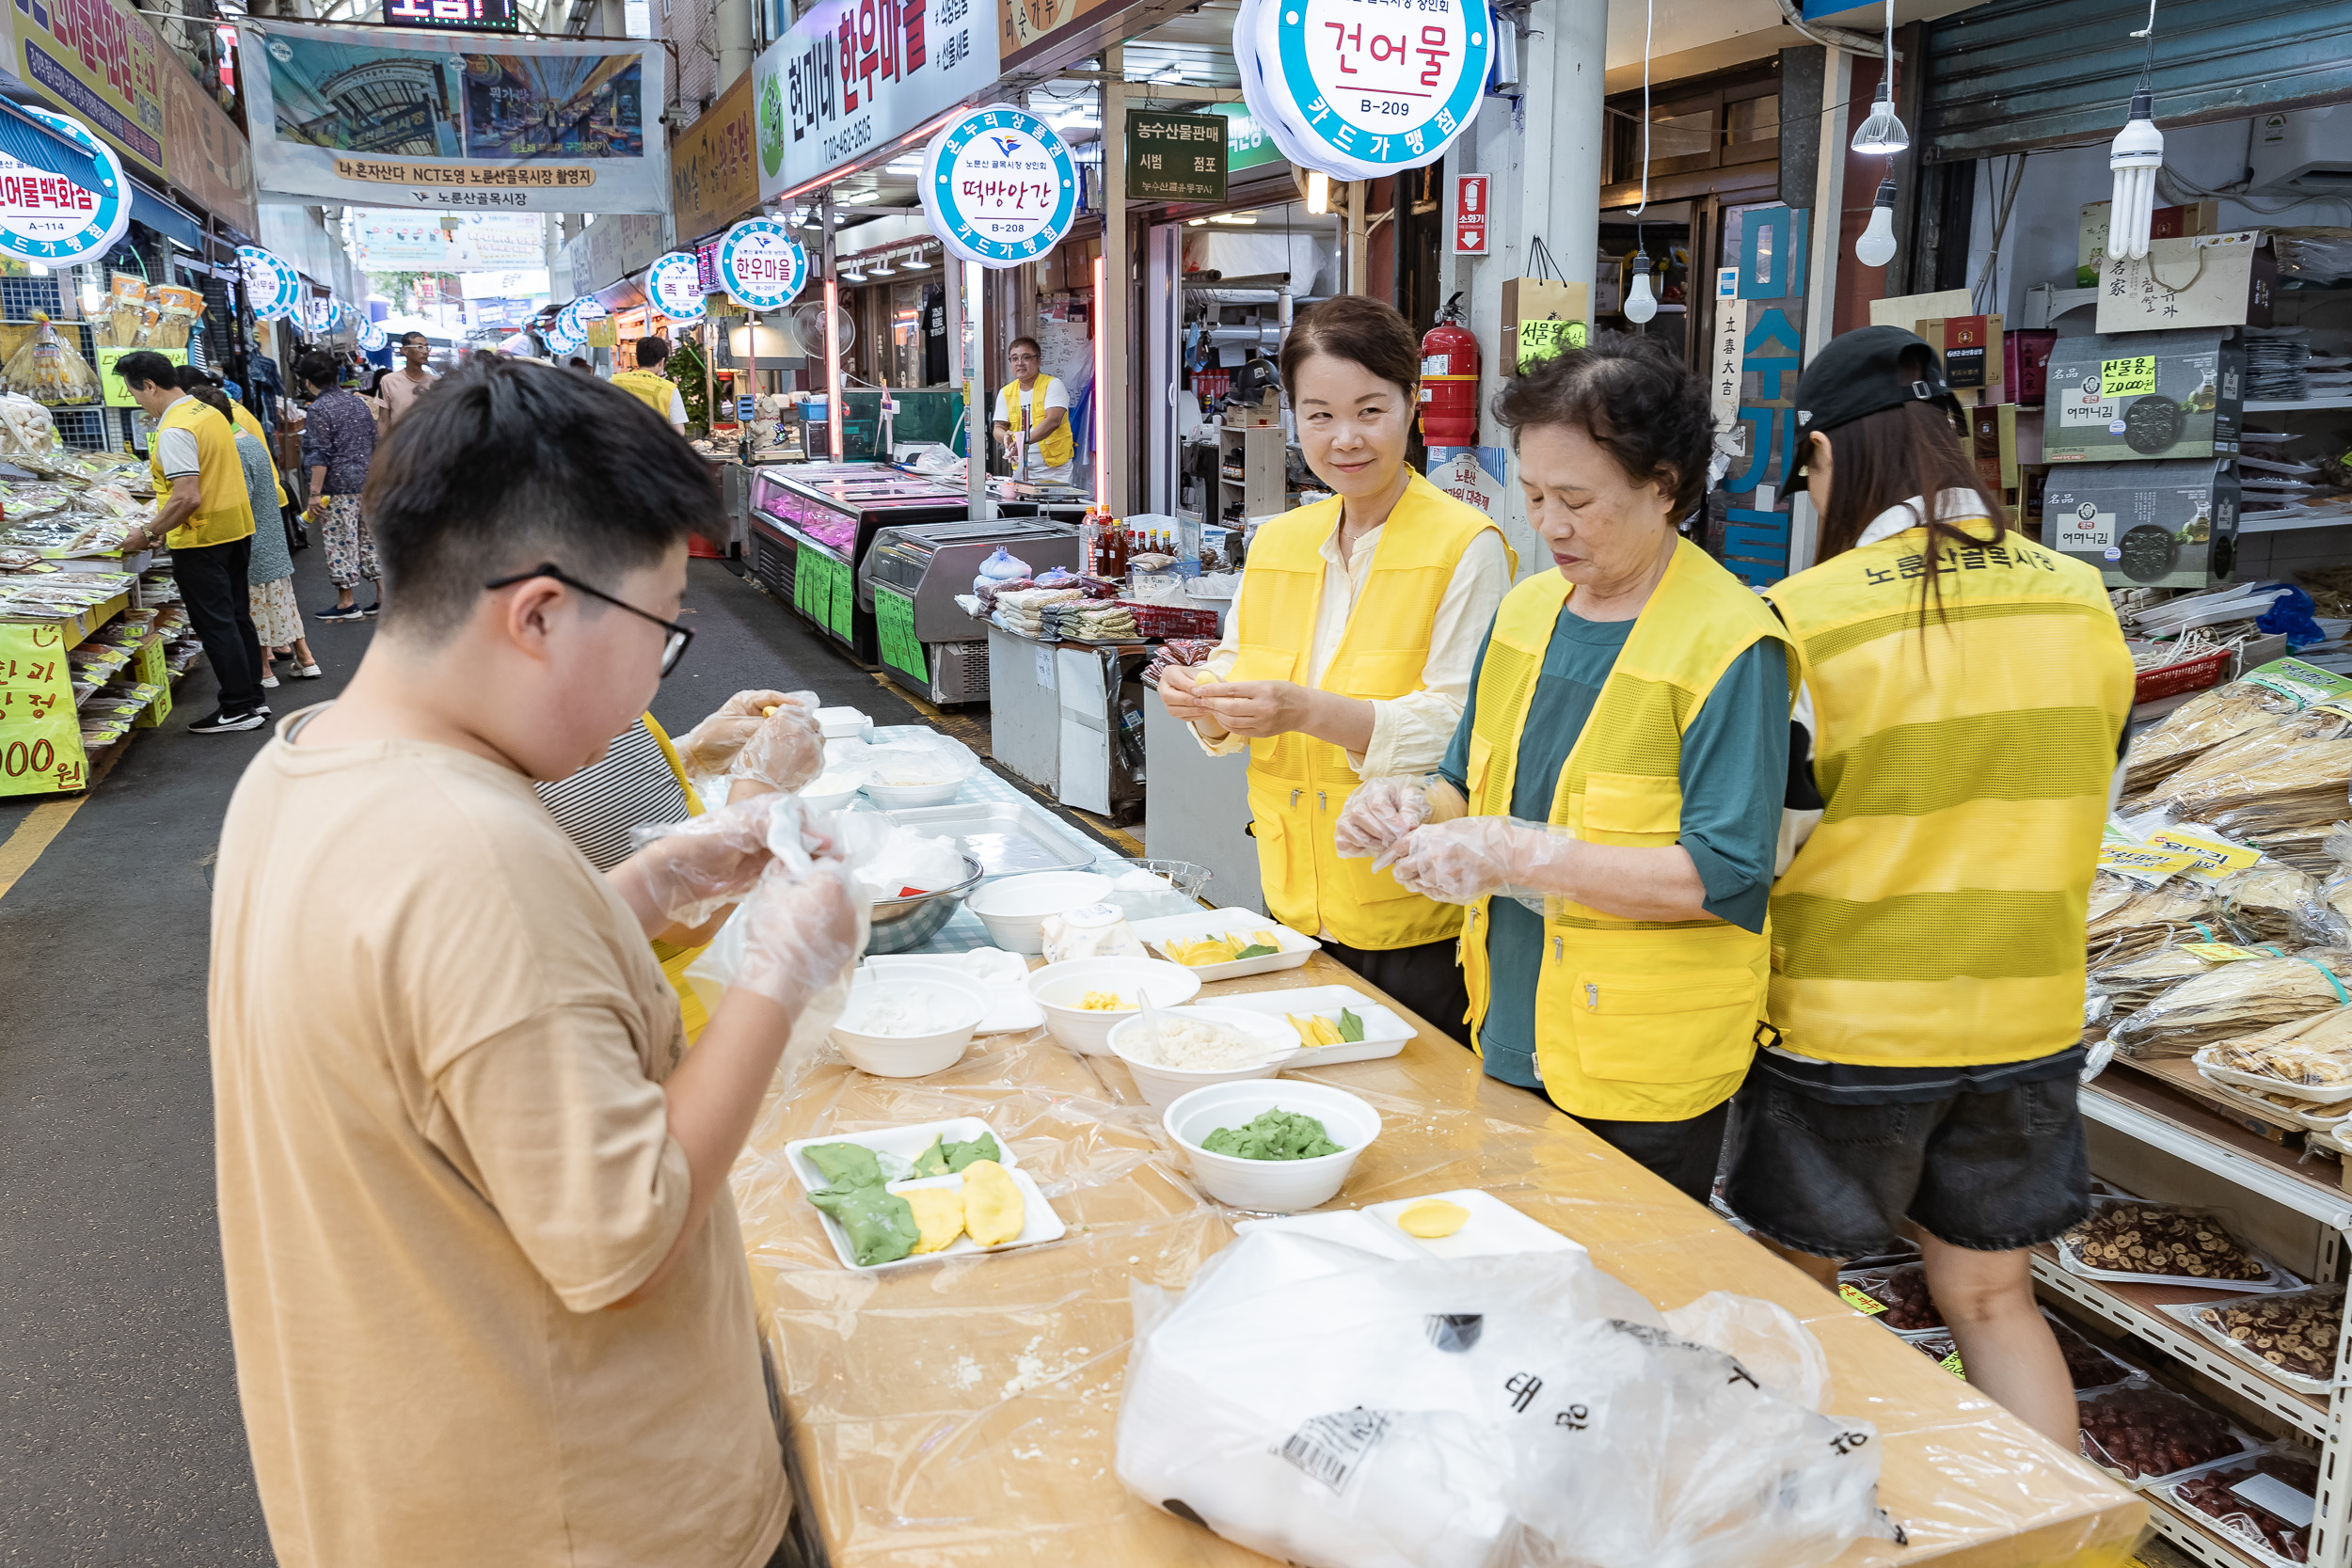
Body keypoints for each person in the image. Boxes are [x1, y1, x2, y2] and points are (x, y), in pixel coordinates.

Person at [209, 356, 860, 1568]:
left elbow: (443, 1030)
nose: (661, 676)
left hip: (414, 1487)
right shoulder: (474, 850)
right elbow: (627, 1227)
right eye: (663, 629)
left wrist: (642, 889)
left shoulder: (308, 762)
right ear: (542, 610)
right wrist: (781, 967)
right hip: (582, 1512)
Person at [1718, 326, 2134, 1446]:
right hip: (2029, 1013)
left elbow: (1769, 843)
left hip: (1850, 1026)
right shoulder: (2081, 597)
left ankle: (1763, 1521)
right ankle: (2044, 1544)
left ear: (1822, 454)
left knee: (1792, 1291)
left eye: (1805, 472)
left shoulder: (1805, 615)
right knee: (1995, 1299)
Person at [1333, 336, 1793, 1203]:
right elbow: (1466, 783)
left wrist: (1517, 856)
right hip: (1510, 1021)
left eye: (1576, 499)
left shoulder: (1730, 642)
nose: (1549, 525)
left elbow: (1723, 874)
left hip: (1643, 1065)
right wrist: (1403, 806)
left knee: (1621, 1307)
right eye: (1536, 495)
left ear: (1664, 486)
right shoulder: (1528, 609)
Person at [1156, 297, 1512, 1040]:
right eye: (1318, 415)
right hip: (1288, 898)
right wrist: (1204, 698)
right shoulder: (1280, 541)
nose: (1344, 438)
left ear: (1412, 405)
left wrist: (1304, 710)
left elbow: (1463, 727)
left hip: (1413, 913)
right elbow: (1239, 668)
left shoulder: (1467, 545)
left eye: (1370, 410)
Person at [116, 350, 266, 734]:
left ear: (149, 386)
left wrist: (149, 532)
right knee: (235, 616)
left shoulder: (175, 428)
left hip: (201, 537)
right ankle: (253, 699)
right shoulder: (208, 411)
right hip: (235, 527)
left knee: (216, 623)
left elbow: (187, 496)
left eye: (135, 393)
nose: (137, 401)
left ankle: (236, 708)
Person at [190, 385, 319, 689]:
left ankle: (263, 670)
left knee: (253, 604)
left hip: (252, 537)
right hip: (272, 534)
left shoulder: (231, 449)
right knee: (281, 598)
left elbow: (239, 496)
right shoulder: (248, 439)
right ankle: (305, 657)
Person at [297, 352, 381, 623]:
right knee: (370, 540)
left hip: (338, 486)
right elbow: (374, 441)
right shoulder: (357, 403)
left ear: (308, 382)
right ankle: (383, 596)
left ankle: (347, 602)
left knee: (340, 541)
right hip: (368, 482)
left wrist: (314, 493)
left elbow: (319, 454)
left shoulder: (319, 409)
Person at [990, 335, 1073, 483]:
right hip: (1021, 469)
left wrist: (1024, 442)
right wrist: (1005, 437)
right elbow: (998, 427)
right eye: (1014, 359)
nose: (1020, 363)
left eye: (1026, 357)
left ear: (1038, 361)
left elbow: (1053, 420)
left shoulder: (1053, 385)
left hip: (1054, 471)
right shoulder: (1006, 392)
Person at [612, 335, 689, 434]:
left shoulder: (614, 381)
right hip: (655, 447)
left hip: (620, 445)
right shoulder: (669, 389)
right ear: (662, 361)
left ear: (637, 358)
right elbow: (679, 431)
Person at [379, 329, 437, 426]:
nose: (425, 352)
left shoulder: (435, 382)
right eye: (420, 347)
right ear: (405, 350)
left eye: (427, 347)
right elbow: (383, 420)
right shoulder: (388, 381)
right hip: (399, 440)